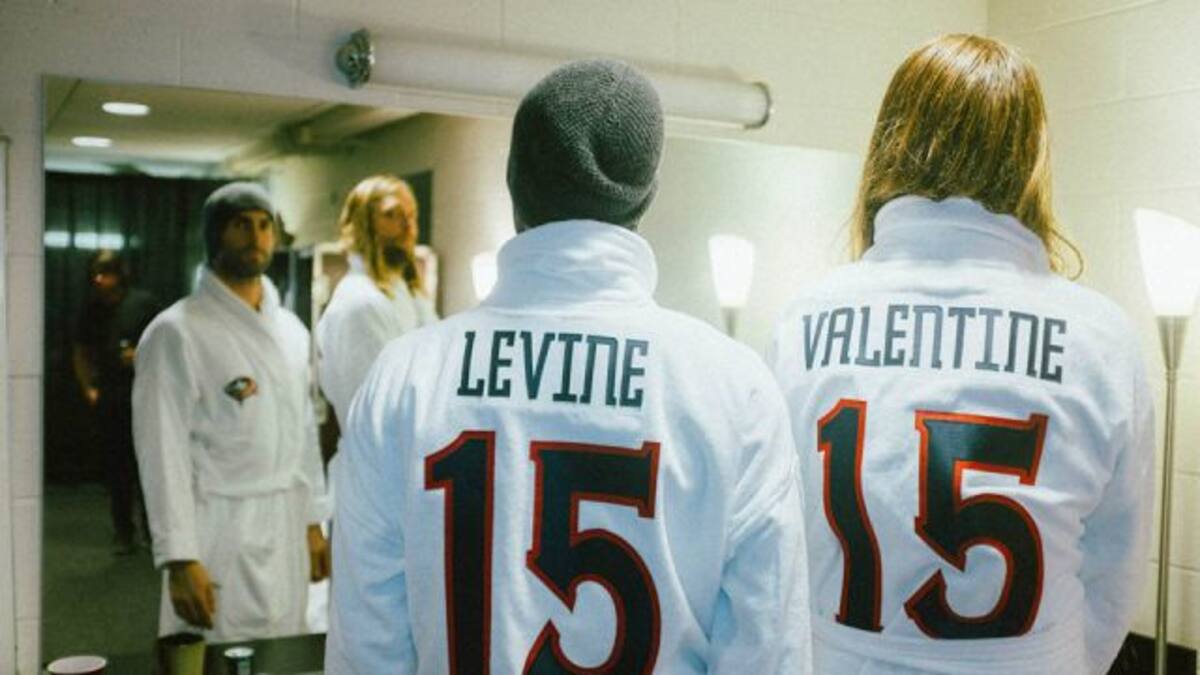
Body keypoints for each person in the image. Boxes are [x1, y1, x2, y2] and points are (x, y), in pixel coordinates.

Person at [326, 59, 812, 674]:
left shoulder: (405, 379)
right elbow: (768, 654)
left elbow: (367, 649)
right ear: (646, 193)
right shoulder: (732, 389)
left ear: (513, 181)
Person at [769, 34, 1153, 674]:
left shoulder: (802, 321)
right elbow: (1113, 579)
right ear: (1029, 158)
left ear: (891, 142)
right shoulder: (1103, 338)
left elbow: (779, 551)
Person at [132, 182, 331, 642]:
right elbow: (161, 452)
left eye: (264, 226)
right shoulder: (176, 332)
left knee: (285, 648)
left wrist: (313, 521)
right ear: (214, 234)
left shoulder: (291, 331)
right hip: (218, 528)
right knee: (217, 651)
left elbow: (304, 433)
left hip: (285, 520)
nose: (256, 237)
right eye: (241, 225)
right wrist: (179, 557)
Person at [317, 174, 438, 428]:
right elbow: (379, 411)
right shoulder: (361, 302)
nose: (408, 227)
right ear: (362, 224)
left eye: (411, 215)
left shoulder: (408, 293)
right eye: (391, 215)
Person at [72, 249, 158, 554]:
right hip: (110, 397)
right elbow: (80, 352)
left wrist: (141, 355)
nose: (102, 280)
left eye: (107, 274)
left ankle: (154, 533)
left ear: (120, 275)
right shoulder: (91, 309)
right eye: (97, 274)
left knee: (149, 467)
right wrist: (89, 388)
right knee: (117, 468)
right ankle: (124, 533)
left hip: (145, 396)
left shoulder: (143, 304)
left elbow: (168, 344)